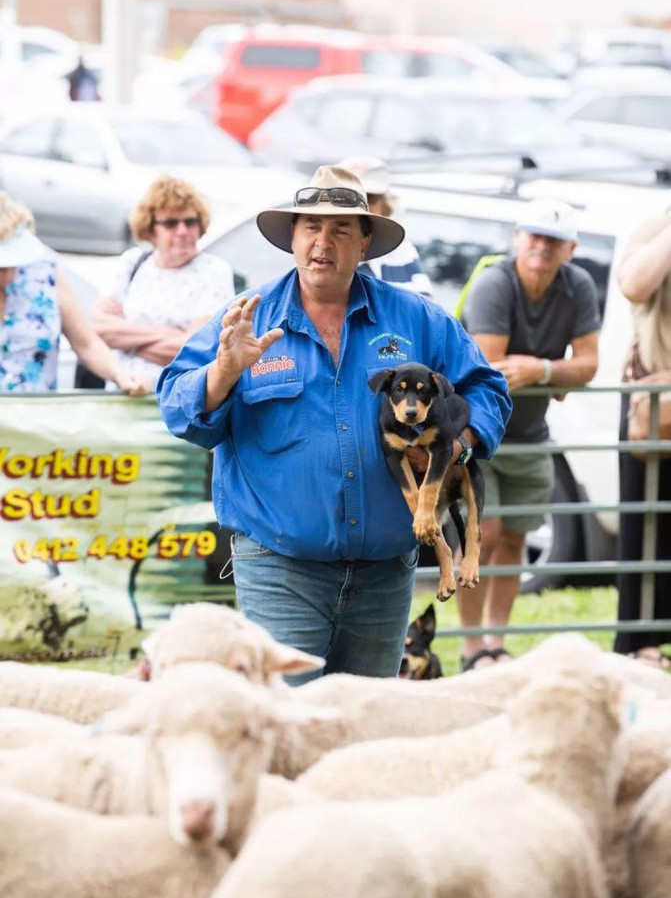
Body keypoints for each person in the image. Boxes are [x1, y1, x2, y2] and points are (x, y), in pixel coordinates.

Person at [157, 164, 511, 683]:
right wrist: (223, 372)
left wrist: (457, 446)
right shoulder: (246, 318)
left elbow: (488, 389)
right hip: (280, 570)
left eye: (341, 229)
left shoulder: (418, 319)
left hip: (386, 576)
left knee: (364, 732)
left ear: (365, 242)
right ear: (293, 240)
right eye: (310, 228)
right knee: (291, 724)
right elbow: (177, 406)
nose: (324, 242)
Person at [458, 198, 600, 671]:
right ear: (518, 237)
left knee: (517, 537)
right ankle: (470, 645)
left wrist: (539, 368)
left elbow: (589, 364)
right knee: (484, 533)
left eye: (553, 240)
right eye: (534, 235)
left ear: (571, 248)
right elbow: (494, 370)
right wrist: (559, 373)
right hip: (478, 436)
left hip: (533, 435)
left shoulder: (577, 285)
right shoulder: (495, 283)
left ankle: (498, 642)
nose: (542, 246)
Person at [92, 175, 235, 392]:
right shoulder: (133, 263)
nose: (182, 231)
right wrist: (168, 333)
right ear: (151, 230)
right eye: (171, 223)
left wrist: (126, 340)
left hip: (177, 401)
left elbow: (197, 350)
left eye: (190, 222)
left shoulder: (214, 271)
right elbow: (99, 329)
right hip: (121, 397)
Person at [0, 192, 143, 394]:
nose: (6, 271)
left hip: (34, 419)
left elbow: (87, 343)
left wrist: (118, 374)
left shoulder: (45, 274)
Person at [615, 209, 671, 669]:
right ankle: (642, 645)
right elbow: (634, 285)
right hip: (655, 405)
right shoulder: (653, 230)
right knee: (645, 523)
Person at [337, 155, 433, 297]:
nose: (362, 207)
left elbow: (427, 313)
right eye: (351, 198)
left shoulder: (403, 252)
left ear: (384, 205)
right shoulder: (322, 255)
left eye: (369, 197)